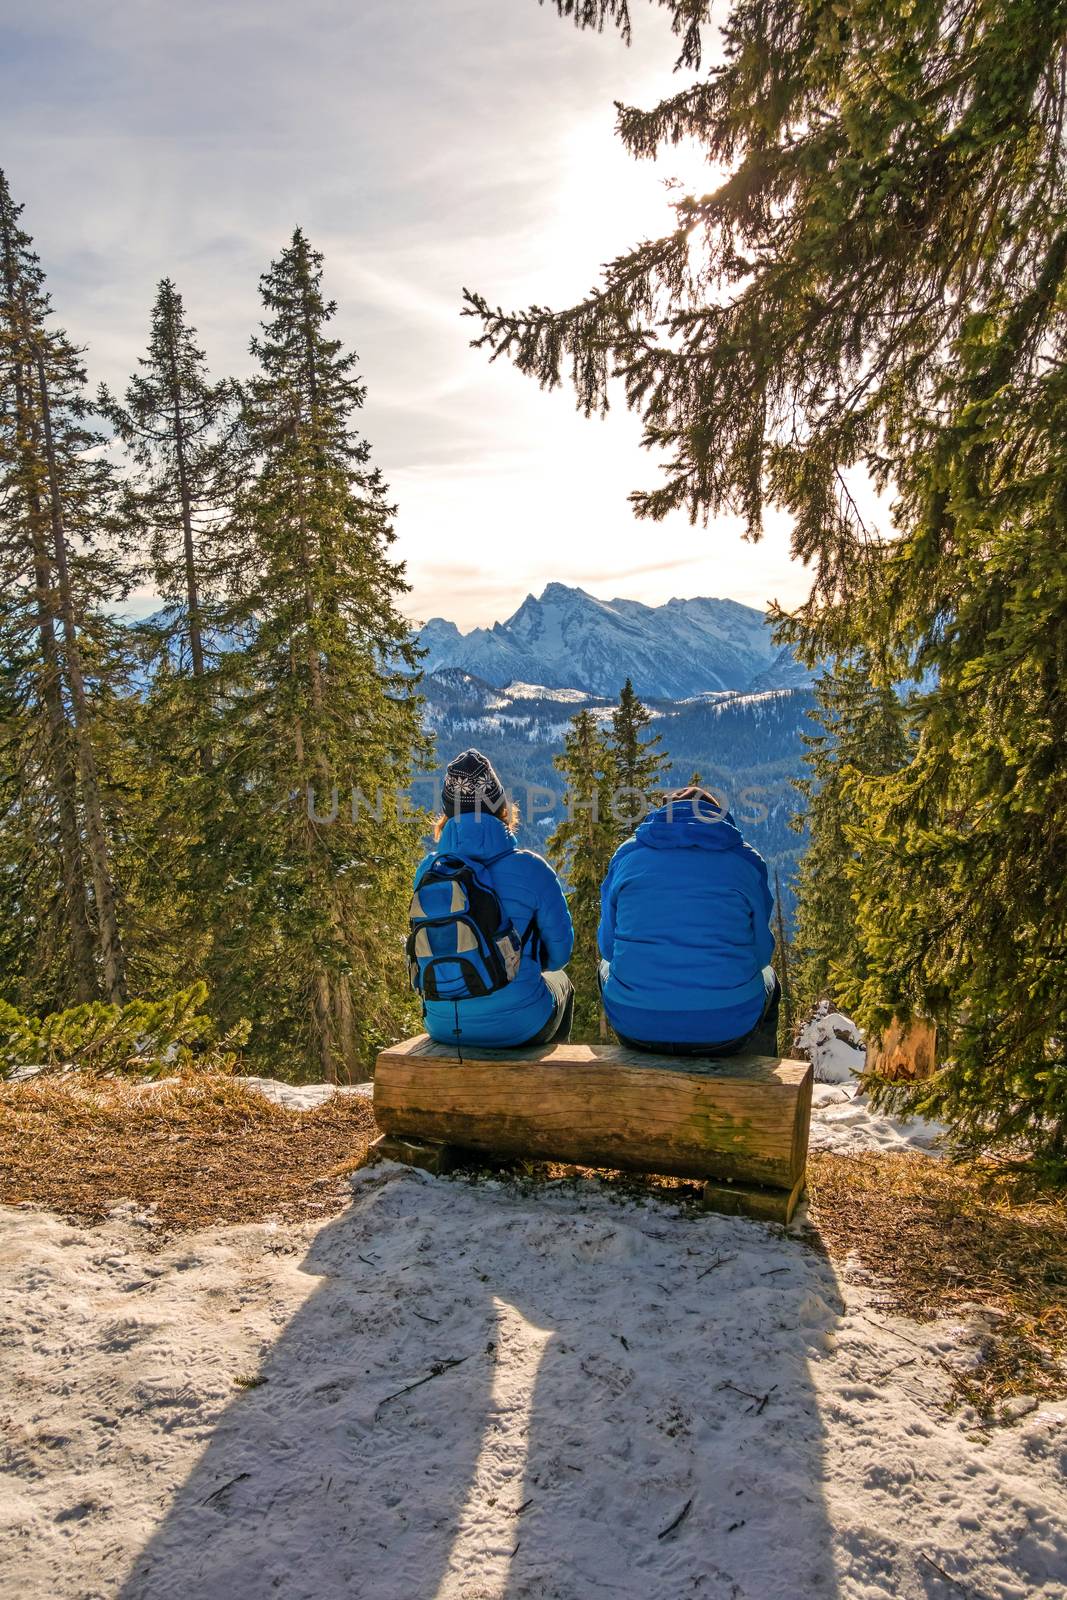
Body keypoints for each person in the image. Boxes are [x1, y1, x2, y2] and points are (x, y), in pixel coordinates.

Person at [597, 786, 781, 1056]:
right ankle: (760, 1084)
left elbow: (609, 949)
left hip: (636, 1023)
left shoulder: (627, 857)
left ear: (664, 812)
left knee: (605, 968)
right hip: (727, 1026)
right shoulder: (746, 861)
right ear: (715, 815)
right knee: (769, 978)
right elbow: (762, 954)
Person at [413, 749, 574, 1049]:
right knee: (562, 982)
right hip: (521, 1024)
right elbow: (560, 955)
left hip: (442, 1024)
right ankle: (550, 1080)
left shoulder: (428, 871)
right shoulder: (532, 869)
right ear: (502, 807)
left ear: (447, 815)